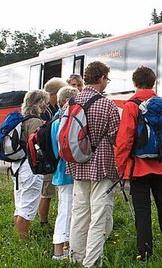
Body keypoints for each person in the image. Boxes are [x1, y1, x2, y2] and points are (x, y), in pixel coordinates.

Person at [115, 66, 162, 260]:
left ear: (135, 83)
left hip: (139, 168)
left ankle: (144, 254)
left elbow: (124, 140)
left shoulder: (131, 106)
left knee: (142, 211)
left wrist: (121, 166)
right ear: (154, 82)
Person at [67, 61, 120, 267]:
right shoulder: (106, 104)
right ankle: (91, 261)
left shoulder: (71, 101)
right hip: (101, 165)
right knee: (99, 215)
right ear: (101, 79)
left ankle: (75, 257)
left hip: (77, 164)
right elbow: (116, 136)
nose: (107, 82)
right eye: (107, 78)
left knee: (79, 213)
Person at [13, 89, 50, 240]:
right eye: (45, 102)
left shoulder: (22, 119)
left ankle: (20, 237)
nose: (47, 106)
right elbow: (38, 147)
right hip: (30, 167)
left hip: (18, 166)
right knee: (27, 207)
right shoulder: (35, 122)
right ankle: (23, 242)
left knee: (20, 205)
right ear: (39, 104)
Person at [51, 86, 79, 260]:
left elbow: (55, 152)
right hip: (67, 171)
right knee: (66, 211)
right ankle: (59, 251)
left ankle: (67, 248)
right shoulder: (66, 121)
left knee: (68, 210)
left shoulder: (55, 121)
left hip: (60, 171)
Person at [39, 77, 67, 228]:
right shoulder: (45, 111)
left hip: (52, 156)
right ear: (54, 94)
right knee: (47, 192)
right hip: (48, 157)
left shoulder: (53, 109)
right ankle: (43, 222)